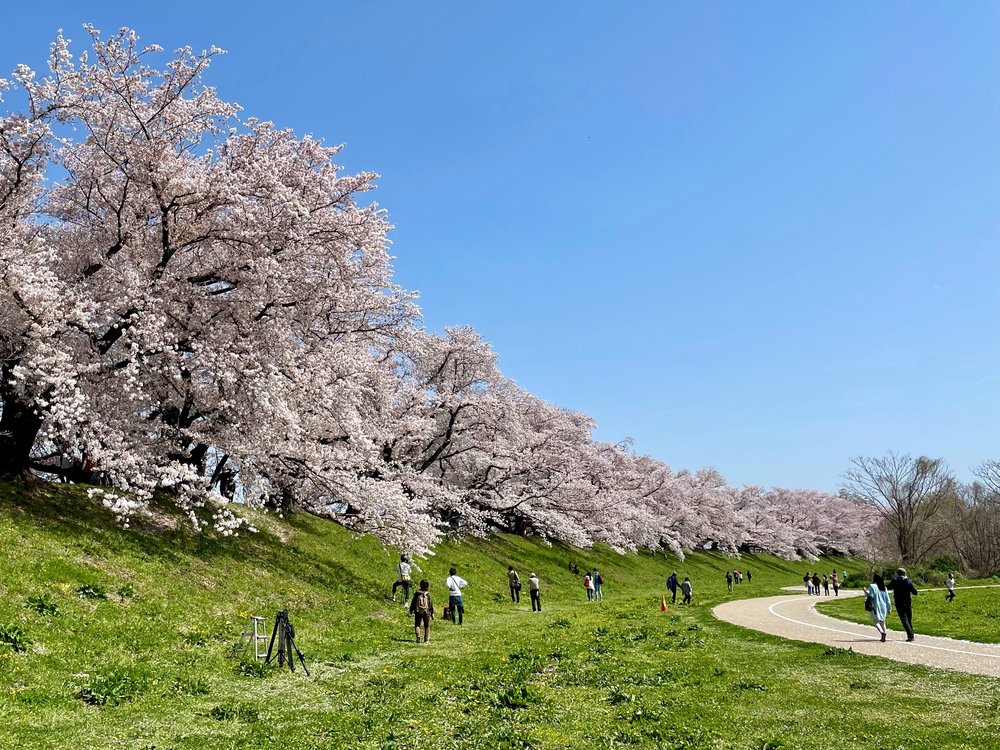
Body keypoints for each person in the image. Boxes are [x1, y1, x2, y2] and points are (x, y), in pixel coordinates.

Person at [888, 567, 919, 641]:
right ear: (905, 573)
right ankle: (911, 636)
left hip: (899, 602)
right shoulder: (908, 581)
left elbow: (888, 587)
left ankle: (910, 635)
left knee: (904, 620)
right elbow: (915, 592)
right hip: (908, 602)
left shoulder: (895, 581)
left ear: (897, 573)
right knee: (909, 619)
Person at [867, 573, 892, 642]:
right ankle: (885, 634)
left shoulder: (872, 586)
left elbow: (871, 596)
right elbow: (888, 600)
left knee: (875, 621)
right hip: (883, 606)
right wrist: (889, 608)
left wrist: (866, 594)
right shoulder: (884, 588)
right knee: (882, 621)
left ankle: (882, 632)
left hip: (875, 605)